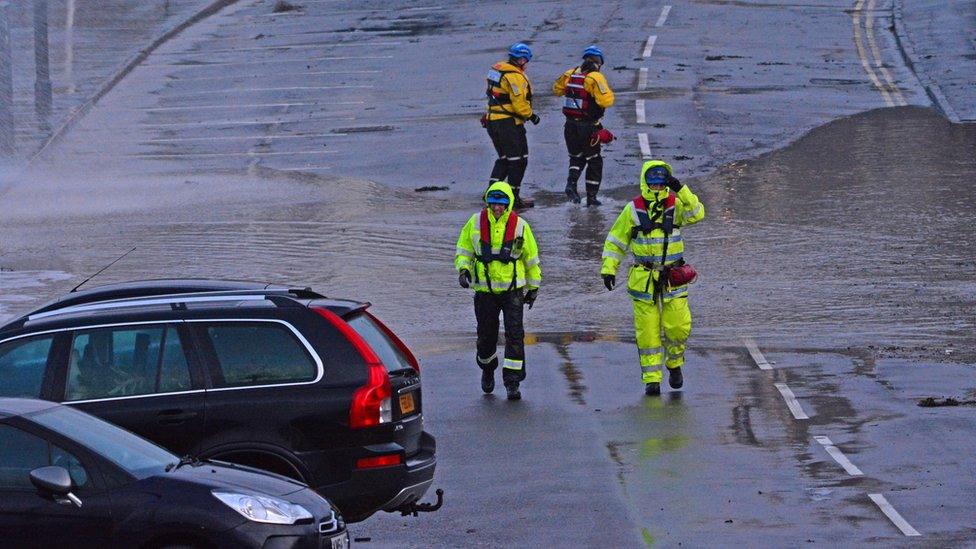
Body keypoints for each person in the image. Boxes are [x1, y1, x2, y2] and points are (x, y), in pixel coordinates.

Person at [600, 160, 705, 395]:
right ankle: (652, 379)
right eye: (653, 184)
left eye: (661, 184)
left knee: (678, 327)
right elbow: (615, 242)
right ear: (645, 184)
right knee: (647, 332)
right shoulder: (632, 210)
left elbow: (698, 214)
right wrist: (608, 268)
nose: (657, 188)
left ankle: (675, 364)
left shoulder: (676, 205)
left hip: (673, 278)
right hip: (644, 280)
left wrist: (682, 189)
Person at [455, 181, 542, 400]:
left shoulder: (521, 226)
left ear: (508, 204)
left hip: (513, 292)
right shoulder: (475, 223)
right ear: (488, 203)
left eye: (501, 204)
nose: (497, 208)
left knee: (515, 336)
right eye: (493, 203)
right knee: (486, 337)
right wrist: (463, 270)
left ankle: (512, 383)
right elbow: (464, 250)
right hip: (484, 293)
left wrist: (533, 288)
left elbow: (531, 260)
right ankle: (487, 368)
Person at [552, 45, 615, 206]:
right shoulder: (595, 78)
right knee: (594, 160)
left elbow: (556, 89)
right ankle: (592, 197)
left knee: (576, 157)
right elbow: (606, 101)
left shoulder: (570, 73)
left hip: (570, 126)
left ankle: (571, 185)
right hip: (587, 127)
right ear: (599, 63)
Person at [484, 42, 540, 209]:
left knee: (504, 159)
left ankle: (490, 193)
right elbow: (519, 104)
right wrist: (532, 116)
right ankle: (514, 198)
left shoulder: (497, 70)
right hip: (508, 123)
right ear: (522, 59)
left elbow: (493, 94)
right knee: (518, 161)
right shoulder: (514, 76)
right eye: (526, 61)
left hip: (492, 120)